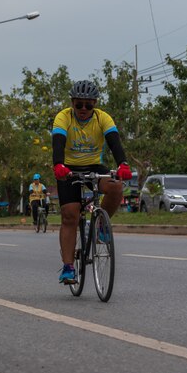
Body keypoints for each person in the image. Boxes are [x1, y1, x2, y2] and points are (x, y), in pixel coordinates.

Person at [51, 80, 133, 284]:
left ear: (95, 104)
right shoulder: (63, 117)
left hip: (95, 166)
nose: (83, 109)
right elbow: (58, 142)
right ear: (72, 103)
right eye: (79, 105)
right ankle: (69, 267)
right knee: (70, 215)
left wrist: (123, 163)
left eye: (89, 105)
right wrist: (59, 165)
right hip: (68, 169)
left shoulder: (102, 117)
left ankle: (101, 227)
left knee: (115, 187)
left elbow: (114, 141)